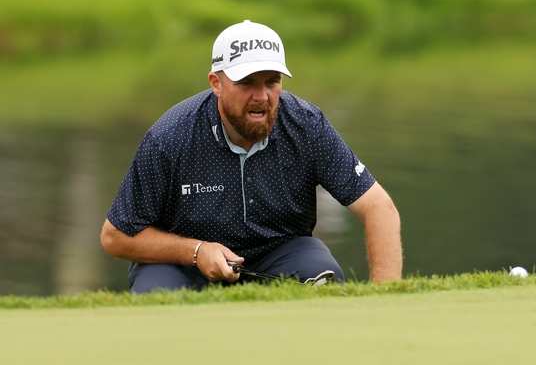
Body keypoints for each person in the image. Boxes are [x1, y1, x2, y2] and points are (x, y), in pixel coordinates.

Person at [100, 20, 402, 293]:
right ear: (216, 83)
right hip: (182, 264)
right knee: (158, 295)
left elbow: (378, 207)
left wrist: (382, 301)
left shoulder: (306, 125)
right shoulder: (170, 136)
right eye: (247, 83)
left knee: (322, 276)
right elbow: (116, 236)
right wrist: (196, 251)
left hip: (280, 253)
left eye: (272, 81)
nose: (262, 96)